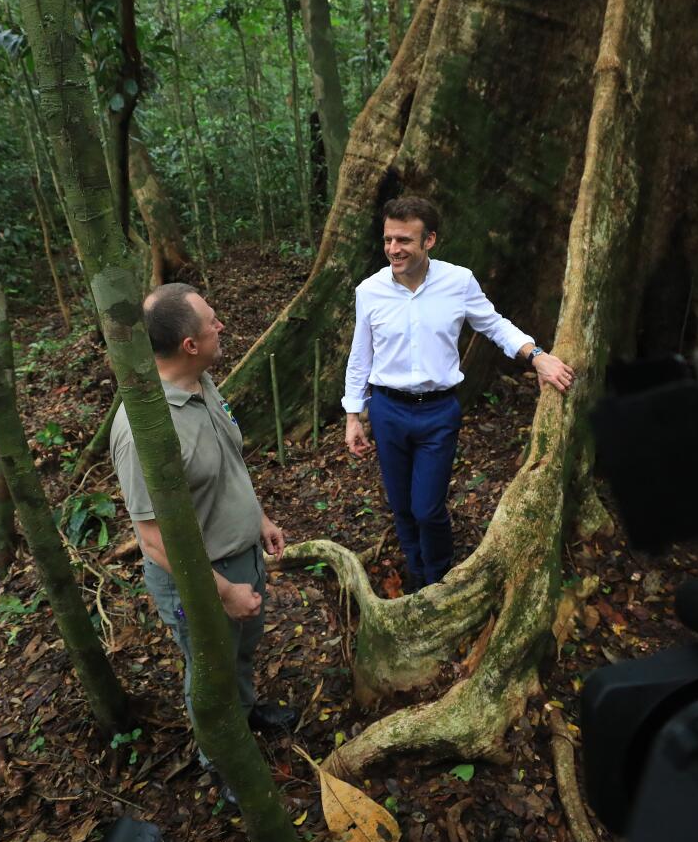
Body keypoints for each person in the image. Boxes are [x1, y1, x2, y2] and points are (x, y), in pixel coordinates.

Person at [109, 283, 298, 797]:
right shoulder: (143, 428)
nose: (221, 326)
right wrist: (224, 590)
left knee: (240, 653)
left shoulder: (202, 382)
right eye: (212, 321)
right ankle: (221, 756)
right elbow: (154, 542)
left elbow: (228, 462)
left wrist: (258, 518)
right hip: (201, 581)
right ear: (189, 344)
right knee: (209, 670)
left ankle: (247, 711)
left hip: (243, 558)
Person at [343, 196, 575, 591]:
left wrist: (536, 356)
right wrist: (353, 415)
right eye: (388, 240)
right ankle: (416, 574)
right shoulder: (370, 291)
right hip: (387, 410)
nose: (393, 250)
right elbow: (360, 355)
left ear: (429, 240)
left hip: (437, 412)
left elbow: (495, 325)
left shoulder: (458, 281)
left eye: (404, 241)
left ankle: (440, 575)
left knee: (427, 508)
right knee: (401, 506)